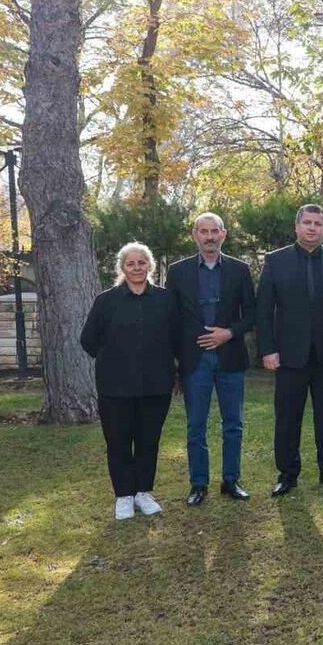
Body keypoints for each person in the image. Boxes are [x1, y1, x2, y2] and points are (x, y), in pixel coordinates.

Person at [256, 204, 323, 496]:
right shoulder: (276, 261)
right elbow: (264, 309)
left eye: (318, 223)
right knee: (288, 417)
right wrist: (267, 349)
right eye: (307, 223)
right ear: (297, 227)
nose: (312, 228)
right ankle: (288, 474)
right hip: (289, 355)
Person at [80, 242, 179, 520]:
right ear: (122, 268)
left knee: (149, 440)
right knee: (118, 441)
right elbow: (88, 340)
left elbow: (176, 338)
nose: (136, 268)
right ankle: (124, 495)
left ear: (150, 266)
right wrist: (114, 358)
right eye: (130, 264)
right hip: (115, 387)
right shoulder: (106, 301)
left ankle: (143, 492)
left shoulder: (165, 299)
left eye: (141, 263)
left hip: (156, 385)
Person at [166, 212, 256, 506]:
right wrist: (175, 364)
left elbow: (252, 315)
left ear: (223, 234)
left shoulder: (240, 270)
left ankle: (231, 480)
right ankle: (198, 484)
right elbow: (172, 321)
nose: (209, 236)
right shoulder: (177, 272)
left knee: (234, 423)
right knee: (196, 425)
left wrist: (228, 333)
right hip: (195, 360)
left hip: (230, 357)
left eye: (214, 231)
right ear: (194, 235)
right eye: (203, 231)